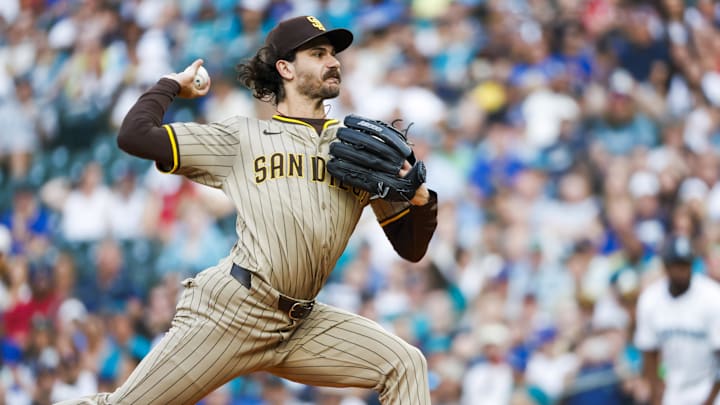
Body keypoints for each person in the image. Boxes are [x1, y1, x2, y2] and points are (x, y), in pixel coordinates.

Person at [58, 15, 437, 404]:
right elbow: (134, 135)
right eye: (318, 53)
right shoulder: (243, 137)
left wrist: (422, 201)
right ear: (285, 68)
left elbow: (411, 249)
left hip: (302, 323)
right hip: (234, 310)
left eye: (334, 53)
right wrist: (171, 85)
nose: (333, 61)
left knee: (405, 364)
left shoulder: (357, 146)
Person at [635, 235, 720, 405]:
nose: (682, 271)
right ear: (666, 266)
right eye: (677, 265)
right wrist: (655, 397)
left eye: (685, 265)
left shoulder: (712, 296)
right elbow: (649, 353)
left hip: (709, 386)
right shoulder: (650, 299)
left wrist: (709, 401)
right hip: (674, 391)